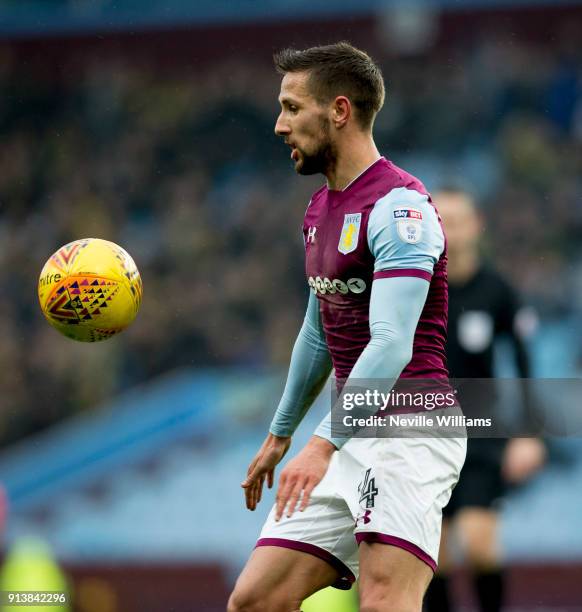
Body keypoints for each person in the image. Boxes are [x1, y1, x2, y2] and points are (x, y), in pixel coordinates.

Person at [227, 43, 466, 612]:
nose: (279, 124)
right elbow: (318, 332)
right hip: (353, 431)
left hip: (411, 429)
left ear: (338, 111)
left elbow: (391, 342)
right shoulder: (320, 210)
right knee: (254, 600)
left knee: (384, 599)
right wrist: (281, 433)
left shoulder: (401, 209)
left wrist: (319, 443)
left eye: (291, 107)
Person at [424, 187, 546, 612]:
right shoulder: (416, 289)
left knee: (478, 544)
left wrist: (530, 434)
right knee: (431, 558)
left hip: (481, 434)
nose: (449, 232)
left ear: (477, 226)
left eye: (457, 221)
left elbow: (525, 363)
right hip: (425, 435)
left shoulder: (497, 291)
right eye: (441, 222)